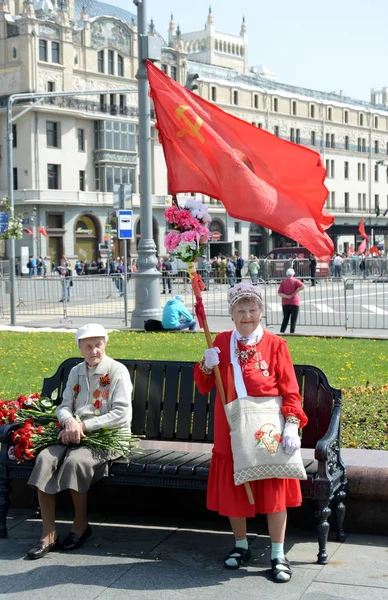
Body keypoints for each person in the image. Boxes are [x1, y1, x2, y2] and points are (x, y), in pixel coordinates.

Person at [194, 283, 307, 583]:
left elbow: (290, 390)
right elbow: (205, 385)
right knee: (235, 488)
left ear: (261, 312)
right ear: (232, 314)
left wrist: (292, 424)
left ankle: (278, 553)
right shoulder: (220, 341)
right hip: (230, 423)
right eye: (240, 311)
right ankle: (241, 546)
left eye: (252, 310)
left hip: (266, 425)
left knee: (273, 488)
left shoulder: (275, 345)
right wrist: (206, 364)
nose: (247, 316)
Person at [26, 323, 133, 560]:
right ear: (80, 348)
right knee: (44, 459)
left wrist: (84, 426)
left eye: (98, 345)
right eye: (88, 346)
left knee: (76, 461)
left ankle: (80, 526)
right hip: (74, 433)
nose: (94, 351)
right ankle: (48, 533)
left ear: (105, 344)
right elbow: (64, 406)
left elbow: (122, 414)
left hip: (107, 437)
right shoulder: (75, 372)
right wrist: (69, 422)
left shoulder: (117, 371)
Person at [278, 268, 304, 334]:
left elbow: (279, 293)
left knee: (285, 319)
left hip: (285, 303)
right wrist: (295, 293)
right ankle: (292, 332)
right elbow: (303, 286)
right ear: (293, 274)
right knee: (293, 320)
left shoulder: (283, 282)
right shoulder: (296, 281)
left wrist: (287, 296)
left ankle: (282, 332)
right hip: (295, 302)